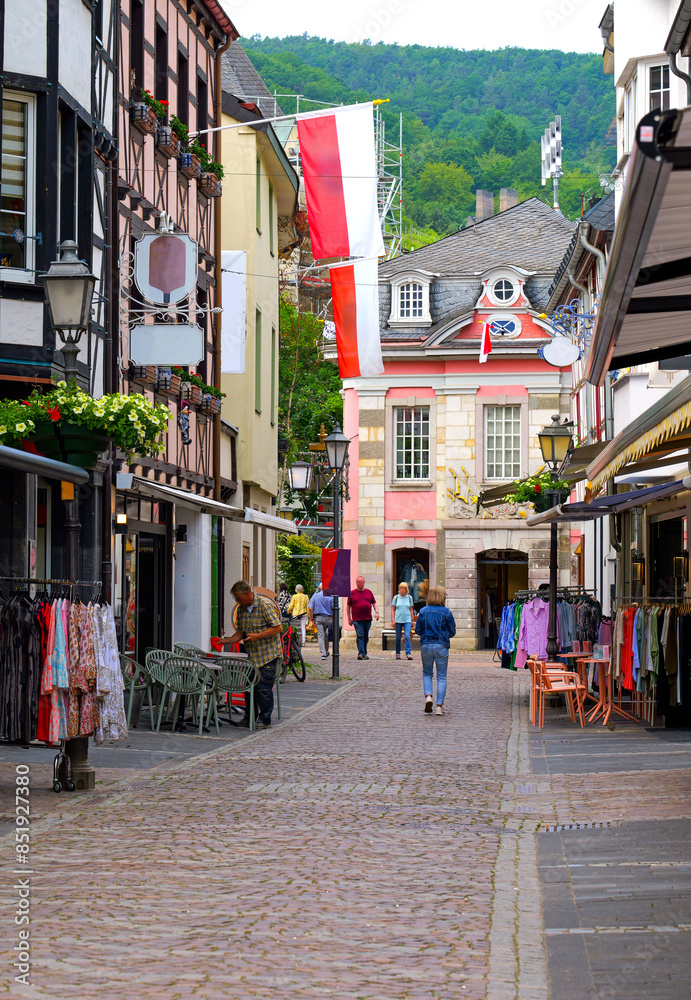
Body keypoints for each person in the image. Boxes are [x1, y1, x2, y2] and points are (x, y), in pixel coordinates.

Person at [217, 580, 283, 728]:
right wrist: (225, 641)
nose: (237, 601)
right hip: (253, 656)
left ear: (247, 594)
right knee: (249, 687)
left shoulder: (265, 606)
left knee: (263, 688)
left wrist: (258, 636)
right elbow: (240, 633)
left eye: (238, 598)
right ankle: (250, 717)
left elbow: (278, 628)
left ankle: (265, 719)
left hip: (268, 654)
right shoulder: (241, 609)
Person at [415, 585, 456, 716]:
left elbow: (418, 630)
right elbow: (452, 631)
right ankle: (439, 706)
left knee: (427, 673)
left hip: (426, 645)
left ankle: (428, 697)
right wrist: (444, 635)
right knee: (441, 676)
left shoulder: (423, 611)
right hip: (441, 646)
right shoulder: (447, 612)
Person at [347, 576, 379, 660]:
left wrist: (377, 612)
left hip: (367, 618)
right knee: (360, 635)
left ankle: (364, 653)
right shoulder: (352, 593)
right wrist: (349, 618)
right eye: (358, 582)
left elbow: (374, 603)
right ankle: (361, 653)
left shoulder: (369, 592)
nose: (360, 583)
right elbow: (348, 606)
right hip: (357, 619)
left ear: (364, 583)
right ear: (356, 583)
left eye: (361, 582)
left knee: (365, 636)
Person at [391, 581, 415, 661]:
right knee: (398, 637)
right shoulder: (396, 597)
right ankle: (398, 653)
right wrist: (393, 620)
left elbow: (411, 609)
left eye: (403, 588)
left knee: (407, 636)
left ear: (406, 589)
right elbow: (393, 609)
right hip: (398, 620)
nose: (401, 589)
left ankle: (408, 653)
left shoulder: (409, 598)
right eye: (400, 588)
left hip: (407, 619)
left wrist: (412, 620)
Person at [309, 583, 334, 660]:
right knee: (326, 635)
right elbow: (334, 607)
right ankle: (326, 651)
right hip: (328, 618)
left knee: (320, 636)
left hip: (318, 618)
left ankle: (323, 654)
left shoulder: (315, 596)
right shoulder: (330, 597)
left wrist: (312, 619)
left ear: (320, 588)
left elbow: (310, 608)